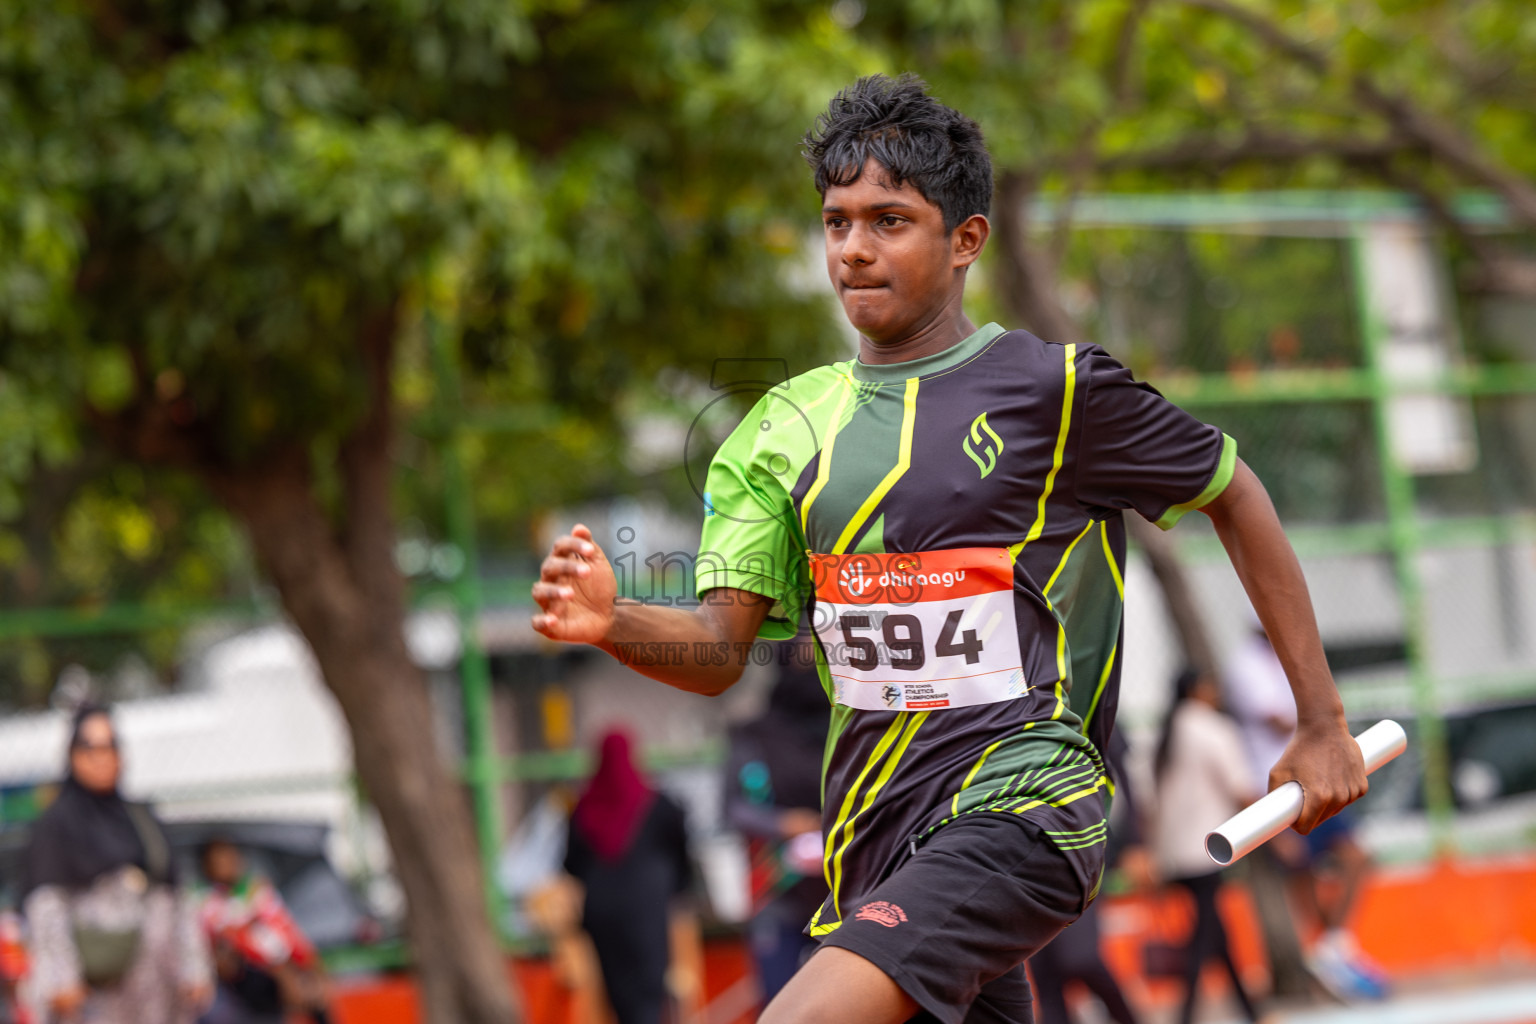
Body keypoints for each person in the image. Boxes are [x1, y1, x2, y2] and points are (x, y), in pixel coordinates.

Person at [532, 73, 1368, 1024]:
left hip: (1026, 807)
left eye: (889, 220)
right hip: (878, 846)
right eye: (836, 222)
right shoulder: (784, 429)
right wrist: (610, 621)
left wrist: (1320, 721)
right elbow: (721, 653)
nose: (853, 249)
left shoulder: (1054, 392)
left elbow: (1236, 494)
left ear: (966, 238)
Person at [1224, 621, 1387, 1003]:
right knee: (1303, 876)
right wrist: (1322, 720)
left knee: (1355, 857)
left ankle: (1333, 947)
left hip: (1315, 775)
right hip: (1284, 787)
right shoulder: (1247, 664)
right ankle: (1326, 955)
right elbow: (1281, 719)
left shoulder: (1287, 657)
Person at [23, 705, 211, 1024]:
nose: (102, 757)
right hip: (97, 992)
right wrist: (61, 979)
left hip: (157, 986)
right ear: (73, 755)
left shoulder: (140, 818)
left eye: (110, 746)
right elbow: (46, 907)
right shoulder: (58, 824)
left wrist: (194, 966)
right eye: (91, 748)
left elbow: (175, 895)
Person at [723, 639, 830, 1002]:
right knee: (782, 1001)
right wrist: (784, 824)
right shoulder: (755, 736)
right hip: (778, 891)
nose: (810, 668)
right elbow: (733, 807)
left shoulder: (852, 729)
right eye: (800, 657)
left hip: (846, 892)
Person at [1151, 668, 1260, 1024]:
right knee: (1205, 935)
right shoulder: (1212, 728)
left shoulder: (1167, 732)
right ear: (1200, 689)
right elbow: (1240, 787)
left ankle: (1250, 1011)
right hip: (1208, 849)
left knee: (1215, 933)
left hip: (1174, 852)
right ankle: (1186, 1016)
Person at [562, 730, 693, 1024]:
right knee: (650, 991)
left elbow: (570, 863)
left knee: (619, 994)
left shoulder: (584, 808)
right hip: (647, 908)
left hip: (601, 912)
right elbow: (681, 851)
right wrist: (678, 888)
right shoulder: (658, 804)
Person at [1027, 732, 1146, 1024]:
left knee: (1079, 958)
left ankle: (1127, 1017)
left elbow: (1118, 770)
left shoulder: (1084, 691)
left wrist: (1135, 843)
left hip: (1079, 846)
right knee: (1046, 973)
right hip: (1022, 850)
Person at [193, 838, 332, 1024]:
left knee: (319, 1001)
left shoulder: (259, 891)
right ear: (207, 867)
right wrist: (283, 975)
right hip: (245, 985)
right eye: (219, 860)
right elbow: (236, 942)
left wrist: (313, 969)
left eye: (231, 857)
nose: (228, 864)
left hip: (280, 975)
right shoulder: (205, 904)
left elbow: (288, 932)